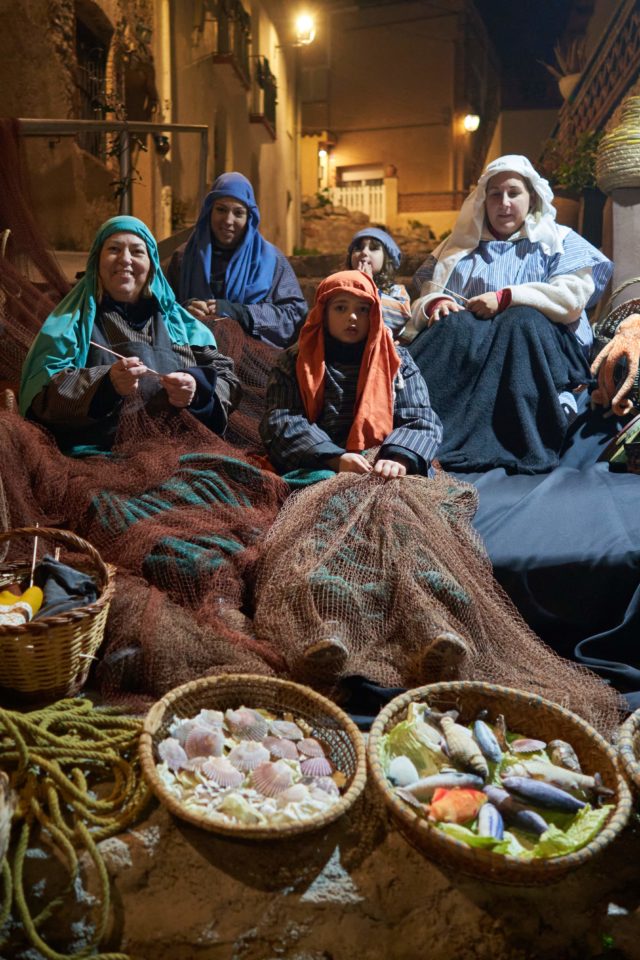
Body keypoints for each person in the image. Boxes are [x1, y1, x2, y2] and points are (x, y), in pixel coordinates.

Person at [405, 154, 613, 474]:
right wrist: (436, 305)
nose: (504, 203)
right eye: (495, 194)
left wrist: (507, 298)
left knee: (521, 321)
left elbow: (572, 297)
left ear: (532, 197)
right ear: (483, 201)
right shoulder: (458, 247)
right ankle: (425, 430)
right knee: (455, 326)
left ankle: (524, 435)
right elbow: (426, 294)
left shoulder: (557, 241)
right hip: (476, 351)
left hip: (539, 345)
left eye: (514, 193)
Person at [19, 215, 241, 455]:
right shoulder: (70, 325)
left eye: (137, 252)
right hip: (98, 458)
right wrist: (106, 384)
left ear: (151, 265)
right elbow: (41, 400)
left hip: (181, 453)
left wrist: (197, 391)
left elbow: (227, 381)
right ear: (97, 262)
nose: (125, 259)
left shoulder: (181, 326)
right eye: (114, 249)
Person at [259, 269, 442, 478]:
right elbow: (281, 419)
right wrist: (333, 458)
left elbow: (421, 418)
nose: (352, 317)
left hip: (382, 460)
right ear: (323, 313)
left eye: (363, 309)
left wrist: (398, 457)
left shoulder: (397, 361)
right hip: (319, 462)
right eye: (340, 308)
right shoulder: (294, 361)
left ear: (374, 314)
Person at [166, 172, 307, 349]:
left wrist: (241, 313)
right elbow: (162, 308)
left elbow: (293, 316)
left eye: (238, 213)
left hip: (252, 360)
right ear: (208, 211)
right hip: (192, 353)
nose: (228, 221)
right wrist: (185, 310)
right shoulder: (184, 257)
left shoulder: (271, 260)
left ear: (249, 218)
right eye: (221, 210)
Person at [346, 226, 410, 336]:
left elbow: (401, 316)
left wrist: (369, 287)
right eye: (358, 248)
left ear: (387, 258)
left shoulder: (395, 290)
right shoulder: (340, 285)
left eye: (373, 248)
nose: (364, 252)